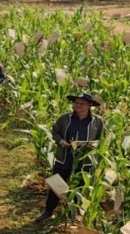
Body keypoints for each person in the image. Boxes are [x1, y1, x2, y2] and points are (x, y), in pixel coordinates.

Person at [35, 92, 105, 222]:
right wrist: (61, 142)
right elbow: (55, 132)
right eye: (76, 103)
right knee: (57, 184)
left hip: (85, 159)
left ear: (89, 105)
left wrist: (93, 145)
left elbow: (102, 139)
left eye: (82, 103)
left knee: (80, 186)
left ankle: (73, 214)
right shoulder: (65, 118)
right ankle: (48, 211)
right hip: (65, 156)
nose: (78, 105)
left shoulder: (97, 121)